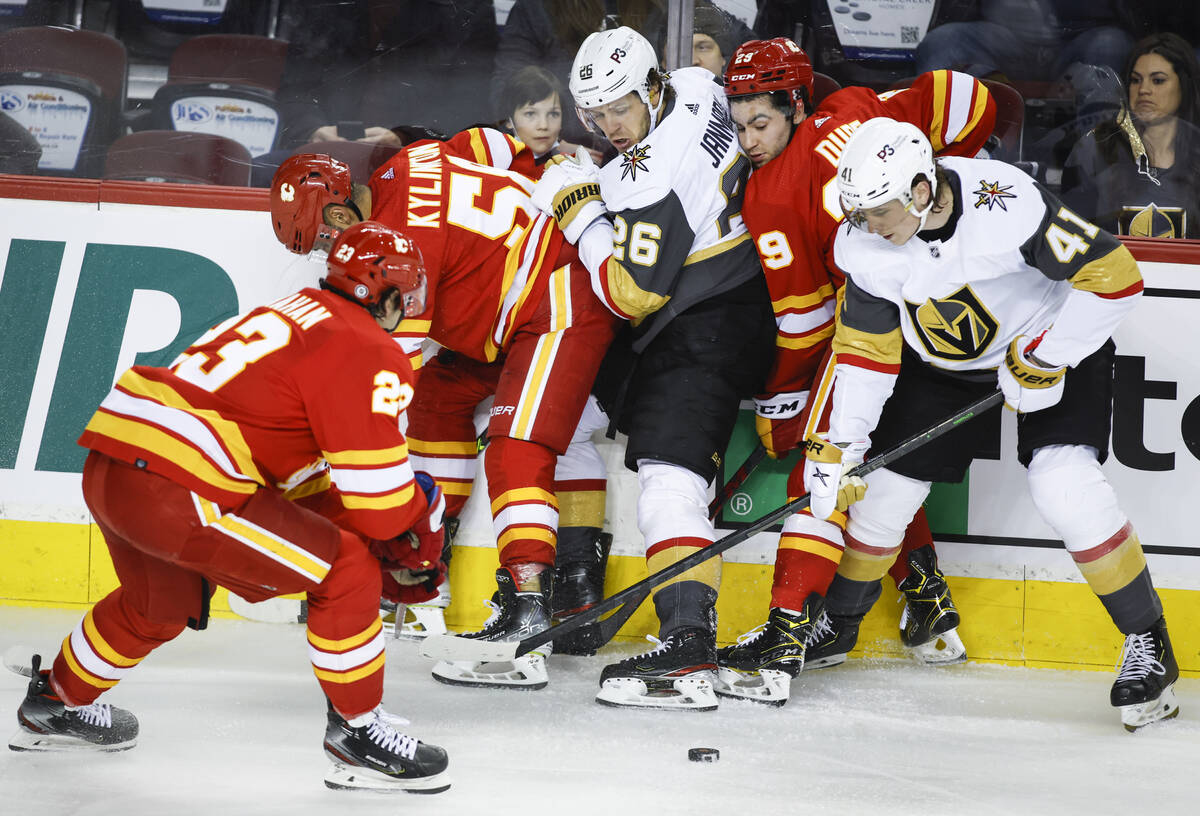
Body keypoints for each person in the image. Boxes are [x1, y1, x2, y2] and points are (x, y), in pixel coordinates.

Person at [8, 221, 454, 791]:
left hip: (116, 463)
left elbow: (289, 481)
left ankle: (57, 703)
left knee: (157, 606)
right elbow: (381, 506)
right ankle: (358, 735)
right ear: (390, 295)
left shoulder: (287, 313)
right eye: (406, 297)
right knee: (344, 569)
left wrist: (386, 525)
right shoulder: (368, 348)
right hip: (183, 485)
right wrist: (419, 527)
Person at [810, 116, 1178, 731]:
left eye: (878, 211)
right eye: (858, 212)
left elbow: (1116, 278)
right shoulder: (865, 241)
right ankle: (839, 623)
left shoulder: (1003, 203)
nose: (866, 226)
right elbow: (866, 351)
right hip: (944, 363)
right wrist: (841, 442)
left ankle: (1149, 644)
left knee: (1064, 488)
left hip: (1051, 335)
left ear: (922, 191)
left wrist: (1044, 357)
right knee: (882, 497)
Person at [269, 132, 618, 690]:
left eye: (323, 238)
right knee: (434, 405)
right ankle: (428, 560)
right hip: (512, 310)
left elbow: (388, 376)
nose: (327, 253)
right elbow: (502, 146)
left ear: (340, 209)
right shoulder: (410, 160)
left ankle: (529, 606)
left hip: (558, 298)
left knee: (515, 450)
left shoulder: (391, 242)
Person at [712, 37, 997, 705]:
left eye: (762, 122)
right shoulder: (856, 107)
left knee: (828, 462)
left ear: (793, 103)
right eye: (740, 123)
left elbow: (806, 320)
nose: (751, 140)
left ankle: (786, 634)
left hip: (873, 324)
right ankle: (925, 600)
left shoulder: (771, 196)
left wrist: (782, 396)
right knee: (878, 471)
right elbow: (966, 98)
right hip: (946, 322)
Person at [531, 25, 776, 711]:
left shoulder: (643, 175)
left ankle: (688, 650)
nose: (611, 125)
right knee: (567, 420)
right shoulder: (697, 87)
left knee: (671, 485)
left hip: (705, 324)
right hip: (730, 299)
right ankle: (578, 581)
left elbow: (632, 291)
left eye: (621, 108)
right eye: (597, 113)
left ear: (651, 89)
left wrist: (580, 212)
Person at [1062, 32, 1200, 239]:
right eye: (1136, 80)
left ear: (1184, 86)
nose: (1144, 89)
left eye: (1158, 80)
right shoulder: (1095, 148)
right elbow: (1070, 236)